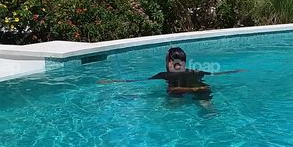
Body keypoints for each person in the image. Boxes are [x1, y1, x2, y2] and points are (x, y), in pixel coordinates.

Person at [98, 46, 241, 102]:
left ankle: (188, 95)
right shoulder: (195, 71)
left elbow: (138, 81)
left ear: (170, 62)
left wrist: (113, 81)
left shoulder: (164, 74)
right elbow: (218, 74)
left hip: (179, 90)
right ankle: (207, 107)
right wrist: (235, 71)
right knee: (205, 100)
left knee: (173, 98)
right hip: (202, 87)